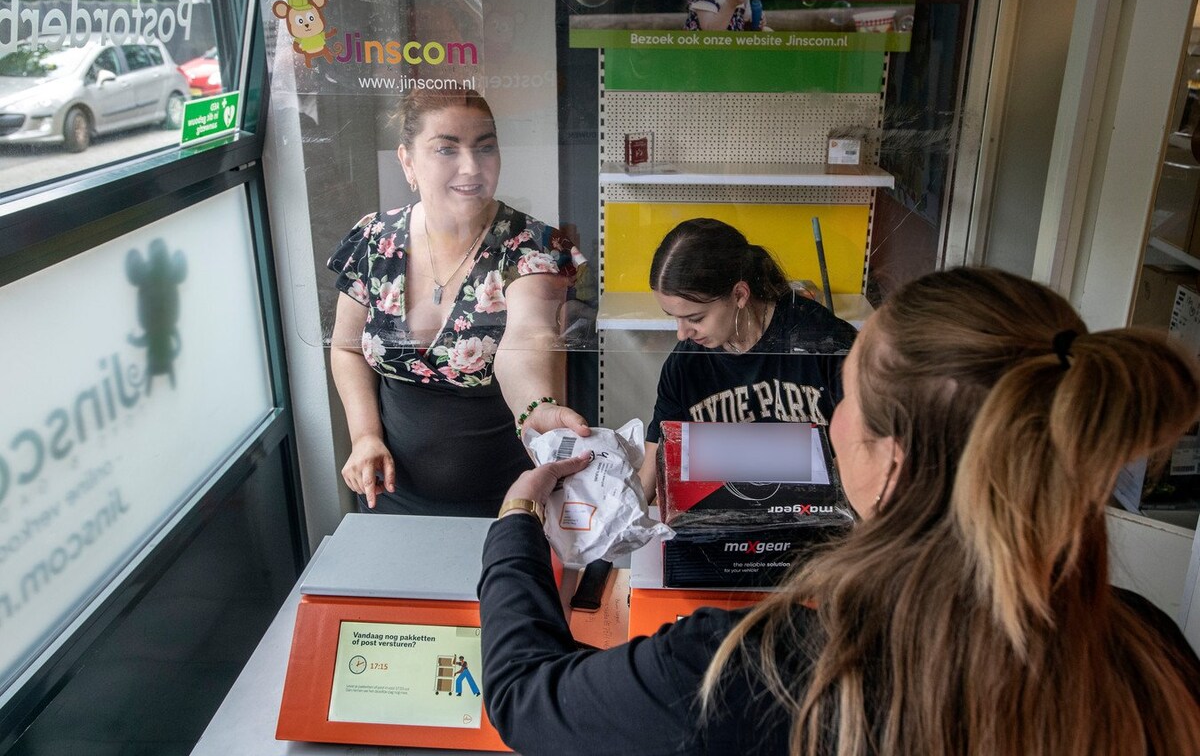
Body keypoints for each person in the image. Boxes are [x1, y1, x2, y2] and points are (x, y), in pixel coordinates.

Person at [478, 267, 1200, 755]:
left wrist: (517, 523)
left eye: (847, 396)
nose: (832, 421)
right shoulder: (1153, 654)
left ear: (894, 461)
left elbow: (524, 699)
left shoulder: (762, 674)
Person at [327, 87, 588, 517]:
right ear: (407, 161)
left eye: (485, 147)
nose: (471, 166)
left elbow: (531, 336)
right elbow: (347, 347)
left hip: (508, 501)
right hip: (389, 493)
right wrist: (365, 436)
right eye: (446, 149)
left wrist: (537, 407)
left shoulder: (533, 247)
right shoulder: (375, 240)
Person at [640, 218, 857, 500]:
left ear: (739, 295)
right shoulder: (684, 365)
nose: (682, 333)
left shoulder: (821, 341)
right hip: (725, 516)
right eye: (674, 318)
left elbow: (867, 450)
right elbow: (652, 470)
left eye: (695, 318)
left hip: (817, 512)